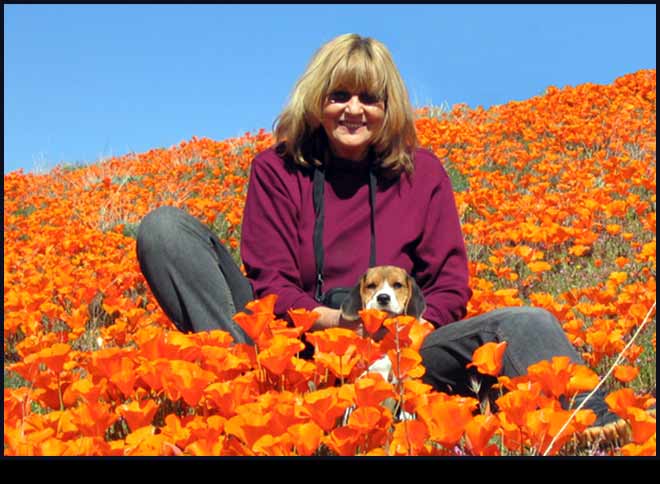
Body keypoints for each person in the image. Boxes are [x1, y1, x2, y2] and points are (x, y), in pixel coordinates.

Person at [136, 33, 634, 445]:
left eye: (369, 99)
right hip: (297, 347)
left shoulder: (424, 173)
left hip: (405, 352)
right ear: (316, 100)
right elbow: (271, 283)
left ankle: (594, 427)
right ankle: (250, 397)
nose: (353, 110)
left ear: (387, 107)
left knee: (528, 322)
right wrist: (340, 323)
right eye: (339, 96)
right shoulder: (277, 170)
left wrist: (403, 339)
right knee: (164, 231)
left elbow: (450, 285)